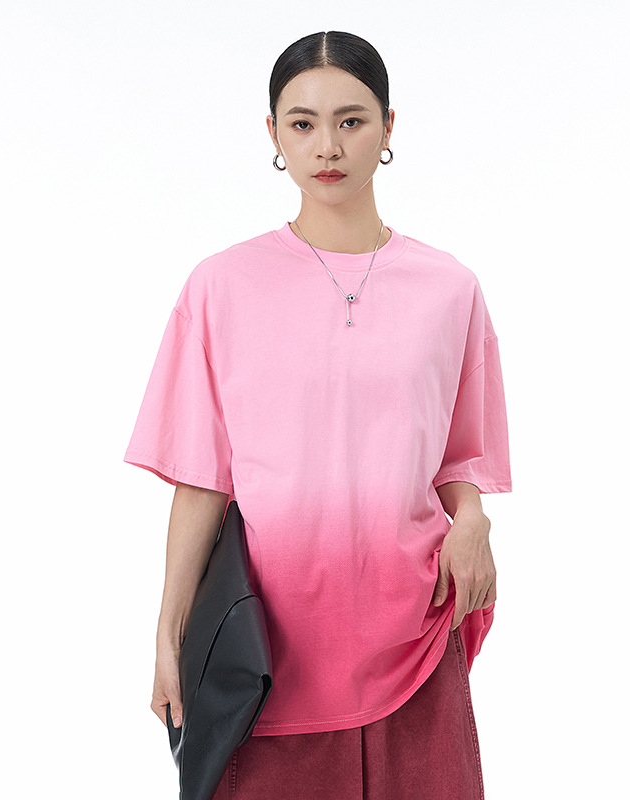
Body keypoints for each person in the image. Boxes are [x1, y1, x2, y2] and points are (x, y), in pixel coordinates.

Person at [124, 30, 512, 800]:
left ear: (388, 127)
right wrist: (168, 635)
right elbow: (202, 480)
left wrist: (473, 519)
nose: (327, 146)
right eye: (302, 123)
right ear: (273, 133)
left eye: (351, 121)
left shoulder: (449, 289)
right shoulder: (221, 286)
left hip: (415, 641)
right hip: (269, 657)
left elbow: (460, 455)